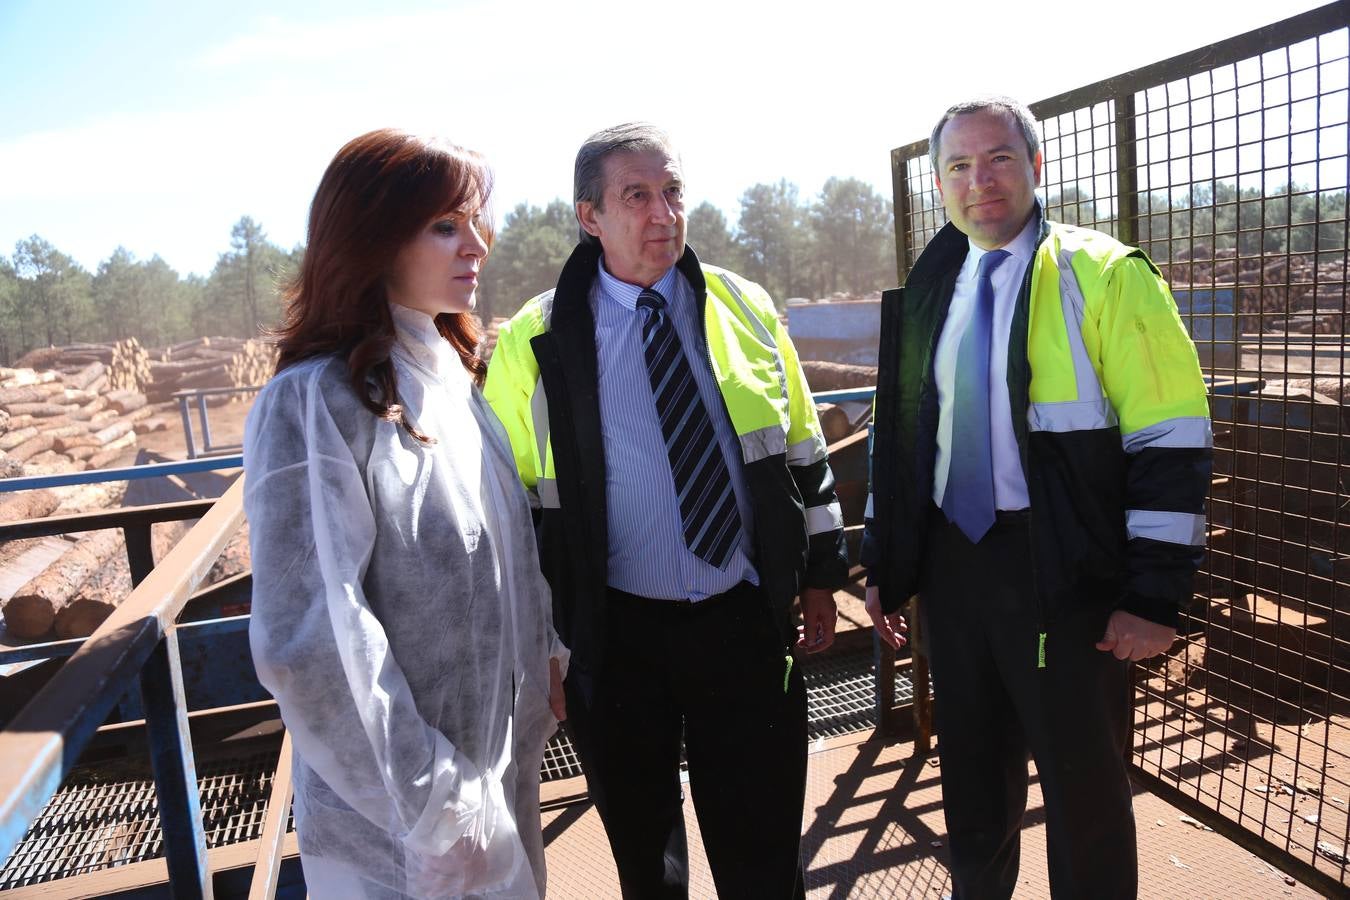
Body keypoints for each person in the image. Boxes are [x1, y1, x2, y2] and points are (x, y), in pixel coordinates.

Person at [484, 122, 849, 899]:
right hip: (615, 637)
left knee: (764, 853)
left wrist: (821, 576)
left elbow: (802, 449)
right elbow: (510, 511)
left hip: (743, 620)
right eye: (637, 196)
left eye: (673, 192)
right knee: (648, 863)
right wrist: (545, 642)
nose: (663, 214)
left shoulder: (744, 307)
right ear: (590, 217)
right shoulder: (534, 340)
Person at [861, 97, 1212, 899]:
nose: (978, 181)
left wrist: (1154, 596)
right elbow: (903, 443)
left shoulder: (1106, 275)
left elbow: (1173, 439)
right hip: (956, 575)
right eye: (958, 166)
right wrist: (887, 558)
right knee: (972, 789)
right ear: (940, 185)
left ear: (1036, 167)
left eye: (998, 159)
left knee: (1085, 796)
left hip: (1063, 578)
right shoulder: (927, 291)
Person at [243, 129, 568, 900]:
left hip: (493, 776)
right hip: (403, 826)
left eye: (476, 223)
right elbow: (312, 637)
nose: (478, 245)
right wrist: (433, 805)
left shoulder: (452, 382)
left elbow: (505, 549)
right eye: (446, 226)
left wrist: (544, 649)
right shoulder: (315, 403)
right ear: (374, 239)